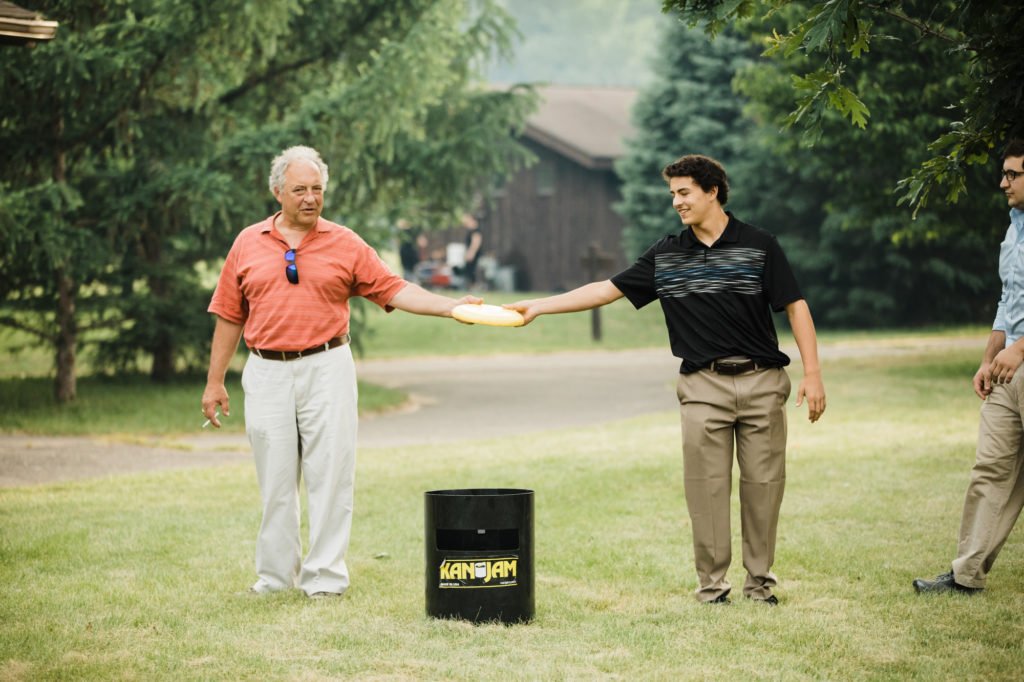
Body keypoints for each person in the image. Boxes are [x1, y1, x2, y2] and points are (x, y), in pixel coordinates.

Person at [506, 154, 826, 605]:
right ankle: (713, 588)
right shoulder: (667, 255)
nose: (676, 202)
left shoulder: (759, 245)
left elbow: (796, 306)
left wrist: (813, 374)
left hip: (762, 382)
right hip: (702, 387)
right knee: (706, 488)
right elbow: (606, 289)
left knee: (764, 486)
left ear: (712, 191)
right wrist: (539, 305)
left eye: (684, 192)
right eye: (672, 194)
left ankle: (760, 585)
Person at [201, 145, 479, 598]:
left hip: (327, 366)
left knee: (330, 474)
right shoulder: (247, 243)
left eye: (317, 189)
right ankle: (273, 578)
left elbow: (394, 288)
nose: (310, 198)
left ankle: (324, 579)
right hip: (267, 370)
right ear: (277, 192)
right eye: (299, 190)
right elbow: (229, 314)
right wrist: (215, 382)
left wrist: (451, 307)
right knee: (274, 480)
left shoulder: (345, 243)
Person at [913, 139, 1024, 596]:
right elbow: (1008, 302)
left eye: (1014, 174)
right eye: (1004, 173)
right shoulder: (1013, 229)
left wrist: (1020, 350)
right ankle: (966, 575)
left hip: (1020, 359)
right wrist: (988, 357)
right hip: (1007, 371)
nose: (1003, 183)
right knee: (990, 469)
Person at [460, 212, 483, 288]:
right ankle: (471, 286)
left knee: (472, 270)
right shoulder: (471, 230)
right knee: (469, 270)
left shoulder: (475, 230)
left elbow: (476, 242)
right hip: (472, 253)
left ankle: (474, 286)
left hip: (474, 253)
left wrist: (471, 253)